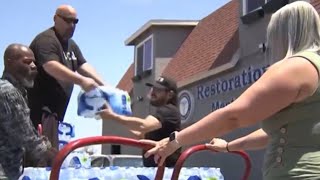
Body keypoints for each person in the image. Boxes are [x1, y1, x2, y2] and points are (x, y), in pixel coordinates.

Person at [143, 1, 320, 179]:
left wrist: (175, 140)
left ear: (281, 35)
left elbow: (233, 116)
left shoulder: (295, 67)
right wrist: (229, 147)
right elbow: (273, 134)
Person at [27, 4, 106, 153]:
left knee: (52, 154)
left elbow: (82, 65)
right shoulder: (46, 40)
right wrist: (81, 81)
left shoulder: (71, 44)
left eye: (75, 22)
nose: (71, 25)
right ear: (55, 18)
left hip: (56, 112)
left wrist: (104, 85)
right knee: (43, 157)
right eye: (67, 20)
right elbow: (51, 66)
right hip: (40, 111)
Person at [0, 44, 57, 179]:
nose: (33, 66)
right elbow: (26, 137)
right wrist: (55, 157)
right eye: (26, 62)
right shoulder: (8, 92)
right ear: (10, 62)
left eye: (34, 62)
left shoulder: (18, 91)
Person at [98, 76, 181, 167]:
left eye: (158, 90)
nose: (153, 91)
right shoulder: (162, 113)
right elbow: (139, 133)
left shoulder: (168, 111)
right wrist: (118, 114)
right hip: (157, 170)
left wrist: (113, 116)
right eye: (153, 88)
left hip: (166, 172)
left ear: (170, 94)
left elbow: (143, 125)